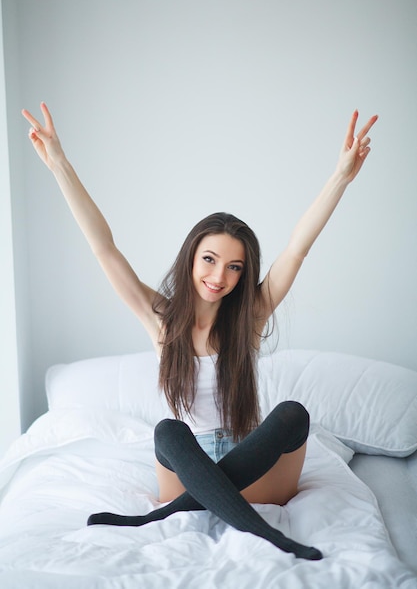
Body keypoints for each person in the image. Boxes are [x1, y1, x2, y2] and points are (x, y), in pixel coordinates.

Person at [22, 103, 378, 561]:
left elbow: (297, 249)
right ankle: (274, 537)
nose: (219, 276)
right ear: (191, 257)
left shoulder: (250, 317)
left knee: (292, 414)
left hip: (257, 472)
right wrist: (59, 164)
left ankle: (158, 517)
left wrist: (341, 177)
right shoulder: (162, 321)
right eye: (209, 259)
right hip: (187, 470)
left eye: (234, 267)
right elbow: (103, 247)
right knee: (169, 430)